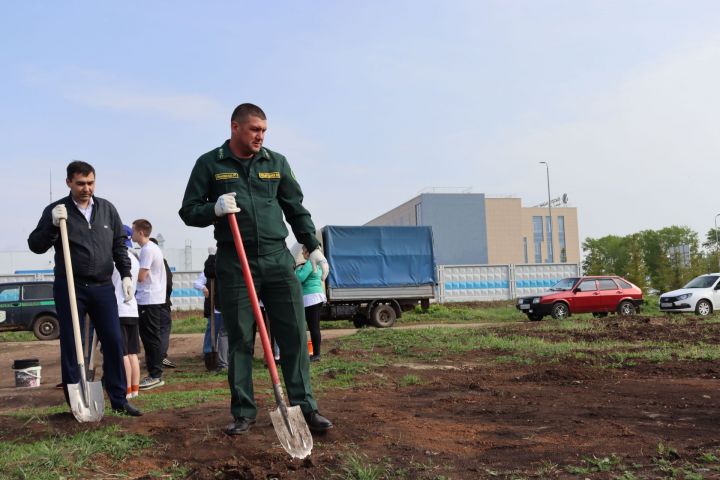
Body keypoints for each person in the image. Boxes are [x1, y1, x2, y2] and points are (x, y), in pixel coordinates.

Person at [179, 103, 333, 435]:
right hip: (235, 260)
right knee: (240, 340)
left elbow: (295, 208)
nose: (260, 136)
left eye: (264, 130)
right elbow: (188, 210)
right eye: (254, 130)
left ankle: (306, 408)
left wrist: (314, 247)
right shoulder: (210, 163)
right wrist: (214, 210)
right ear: (235, 127)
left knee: (293, 334)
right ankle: (244, 413)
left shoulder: (276, 162)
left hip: (278, 260)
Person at [27, 160, 141, 416]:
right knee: (72, 342)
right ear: (69, 182)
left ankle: (119, 399)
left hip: (102, 287)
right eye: (80, 183)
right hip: (71, 286)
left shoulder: (107, 209)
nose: (86, 188)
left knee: (113, 340)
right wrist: (52, 226)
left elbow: (119, 245)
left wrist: (125, 275)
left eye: (90, 183)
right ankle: (76, 402)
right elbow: (35, 244)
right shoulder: (57, 210)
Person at [132, 219, 169, 390]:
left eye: (133, 231)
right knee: (151, 337)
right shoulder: (152, 248)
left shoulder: (147, 249)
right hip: (152, 298)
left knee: (150, 338)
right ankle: (155, 373)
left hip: (148, 299)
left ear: (140, 232)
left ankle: (155, 374)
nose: (131, 234)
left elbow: (141, 277)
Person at [113, 225, 141, 399]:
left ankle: (126, 389)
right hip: (132, 309)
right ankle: (135, 389)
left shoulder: (115, 259)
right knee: (132, 353)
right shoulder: (136, 259)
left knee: (122, 353)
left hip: (118, 308)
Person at [193, 247, 228, 371]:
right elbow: (196, 283)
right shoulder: (209, 270)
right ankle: (208, 351)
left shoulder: (225, 267)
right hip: (214, 307)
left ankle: (223, 356)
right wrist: (204, 288)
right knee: (212, 330)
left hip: (222, 305)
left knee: (223, 333)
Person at [295, 245, 327, 362]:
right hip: (316, 296)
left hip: (310, 298)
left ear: (308, 253)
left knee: (312, 327)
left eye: (303, 251)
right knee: (315, 327)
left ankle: (316, 354)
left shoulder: (309, 263)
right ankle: (316, 353)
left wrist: (297, 270)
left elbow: (300, 277)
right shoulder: (318, 263)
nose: (303, 254)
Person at [149, 237, 176, 369]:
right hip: (161, 303)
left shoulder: (145, 261)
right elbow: (169, 283)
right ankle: (160, 357)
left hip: (149, 303)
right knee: (163, 330)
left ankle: (154, 358)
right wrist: (165, 296)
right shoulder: (162, 262)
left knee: (152, 331)